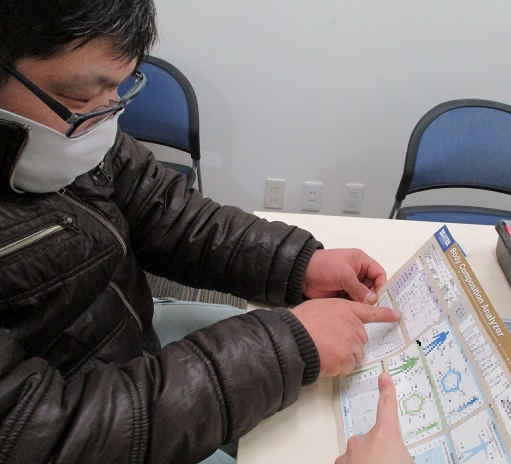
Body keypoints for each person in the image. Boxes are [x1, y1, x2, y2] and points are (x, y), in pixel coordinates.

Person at [0, 1, 400, 463]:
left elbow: (167, 214)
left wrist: (297, 263)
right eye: (81, 95)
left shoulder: (77, 129)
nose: (107, 117)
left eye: (119, 89)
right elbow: (42, 433)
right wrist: (288, 347)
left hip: (128, 341)